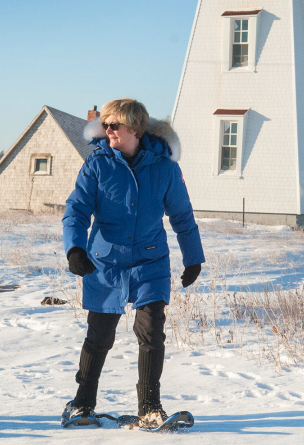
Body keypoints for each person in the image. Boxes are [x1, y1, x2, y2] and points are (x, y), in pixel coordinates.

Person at [62, 98, 204, 428]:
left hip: (150, 261)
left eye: (114, 126)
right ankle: (82, 403)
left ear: (135, 130)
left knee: (152, 333)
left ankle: (150, 406)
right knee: (100, 335)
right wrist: (75, 249)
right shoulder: (97, 164)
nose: (106, 131)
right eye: (105, 125)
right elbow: (77, 211)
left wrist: (193, 258)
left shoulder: (165, 168)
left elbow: (182, 216)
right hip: (105, 262)